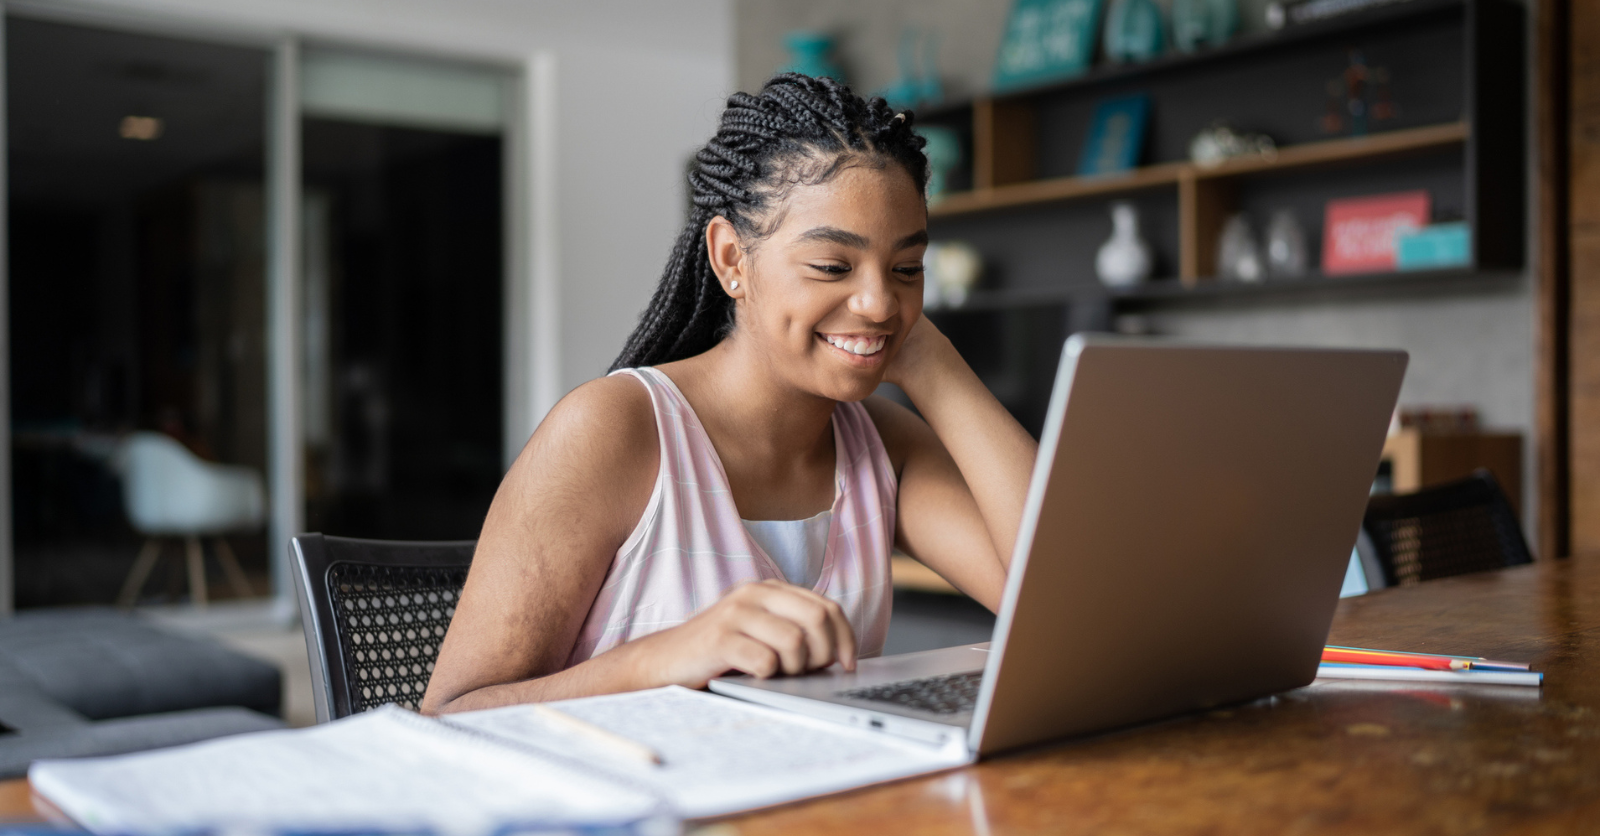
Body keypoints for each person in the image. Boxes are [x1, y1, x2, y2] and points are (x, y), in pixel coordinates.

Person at [421, 74, 1037, 714]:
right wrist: (668, 657)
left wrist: (937, 366)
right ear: (731, 260)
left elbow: (1057, 602)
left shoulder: (883, 444)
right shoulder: (614, 430)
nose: (880, 302)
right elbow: (448, 716)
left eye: (907, 269)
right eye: (832, 266)